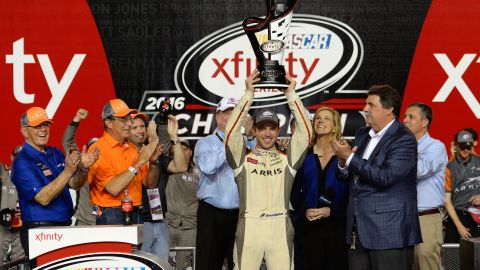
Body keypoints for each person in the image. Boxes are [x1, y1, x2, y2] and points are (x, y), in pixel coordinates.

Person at [224, 70, 312, 270]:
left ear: (278, 131)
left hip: (280, 226)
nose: (267, 133)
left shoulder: (288, 159)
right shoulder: (241, 159)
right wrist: (248, 95)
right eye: (262, 128)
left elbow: (306, 132)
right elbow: (230, 133)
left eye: (272, 128)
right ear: (254, 130)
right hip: (250, 227)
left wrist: (291, 94)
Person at [332, 85, 421, 270]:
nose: (365, 109)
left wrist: (349, 157)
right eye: (366, 104)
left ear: (389, 110)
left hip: (389, 232)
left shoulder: (404, 139)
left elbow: (386, 177)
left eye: (371, 105)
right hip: (358, 230)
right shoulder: (362, 134)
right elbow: (352, 174)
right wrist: (342, 163)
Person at [12, 106, 99, 257]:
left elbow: (74, 184)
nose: (43, 130)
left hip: (63, 228)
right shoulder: (22, 162)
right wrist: (67, 171)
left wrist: (83, 169)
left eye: (46, 125)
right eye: (37, 126)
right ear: (24, 131)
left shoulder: (55, 152)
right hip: (40, 233)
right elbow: (43, 198)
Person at [194, 96, 256, 270]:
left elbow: (261, 166)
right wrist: (232, 139)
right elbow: (208, 167)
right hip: (211, 215)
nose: (230, 117)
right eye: (226, 113)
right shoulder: (205, 143)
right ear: (217, 117)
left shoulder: (248, 142)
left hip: (240, 215)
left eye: (234, 113)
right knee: (208, 264)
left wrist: (250, 135)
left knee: (240, 265)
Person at [291, 107, 349, 270]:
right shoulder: (303, 154)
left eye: (326, 118)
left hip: (336, 229)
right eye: (317, 118)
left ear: (336, 126)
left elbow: (352, 192)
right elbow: (293, 191)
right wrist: (304, 211)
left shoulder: (345, 154)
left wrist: (333, 211)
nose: (320, 121)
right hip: (307, 229)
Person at [88, 99, 158, 225]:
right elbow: (114, 188)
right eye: (123, 120)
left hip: (136, 211)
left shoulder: (131, 147)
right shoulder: (98, 149)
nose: (129, 124)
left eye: (129, 119)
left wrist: (153, 162)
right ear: (108, 123)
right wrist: (138, 163)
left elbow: (149, 184)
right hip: (111, 213)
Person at [132, 113, 188, 261]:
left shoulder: (155, 154)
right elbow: (149, 183)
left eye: (142, 126)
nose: (140, 130)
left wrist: (175, 137)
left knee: (161, 265)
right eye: (134, 127)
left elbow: (181, 166)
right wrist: (153, 157)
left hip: (159, 218)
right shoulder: (127, 156)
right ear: (126, 130)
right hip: (139, 222)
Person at [403, 103, 447, 270]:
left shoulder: (435, 147)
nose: (405, 120)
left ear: (424, 122)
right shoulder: (399, 147)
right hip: (401, 217)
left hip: (425, 218)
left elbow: (419, 170)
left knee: (426, 264)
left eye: (411, 117)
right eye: (405, 116)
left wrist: (405, 149)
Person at [165, 140, 199, 270]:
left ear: (191, 152)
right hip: (168, 225)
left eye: (185, 149)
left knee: (182, 265)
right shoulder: (170, 168)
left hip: (190, 226)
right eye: (178, 149)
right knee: (165, 264)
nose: (182, 152)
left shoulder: (201, 171)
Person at [444, 130, 480, 242]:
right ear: (455, 145)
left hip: (477, 217)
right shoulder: (449, 167)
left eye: (468, 147)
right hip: (456, 217)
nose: (465, 150)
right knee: (452, 257)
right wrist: (459, 226)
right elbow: (447, 201)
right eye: (462, 146)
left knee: (477, 257)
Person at [62, 108, 96, 226]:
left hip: (107, 220)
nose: (93, 154)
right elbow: (68, 142)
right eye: (91, 148)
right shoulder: (81, 164)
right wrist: (76, 120)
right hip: (84, 221)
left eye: (97, 150)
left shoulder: (111, 165)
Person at [0, 147, 25, 264]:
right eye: (17, 156)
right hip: (2, 225)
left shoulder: (32, 177)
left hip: (22, 226)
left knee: (18, 261)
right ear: (12, 157)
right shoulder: (4, 172)